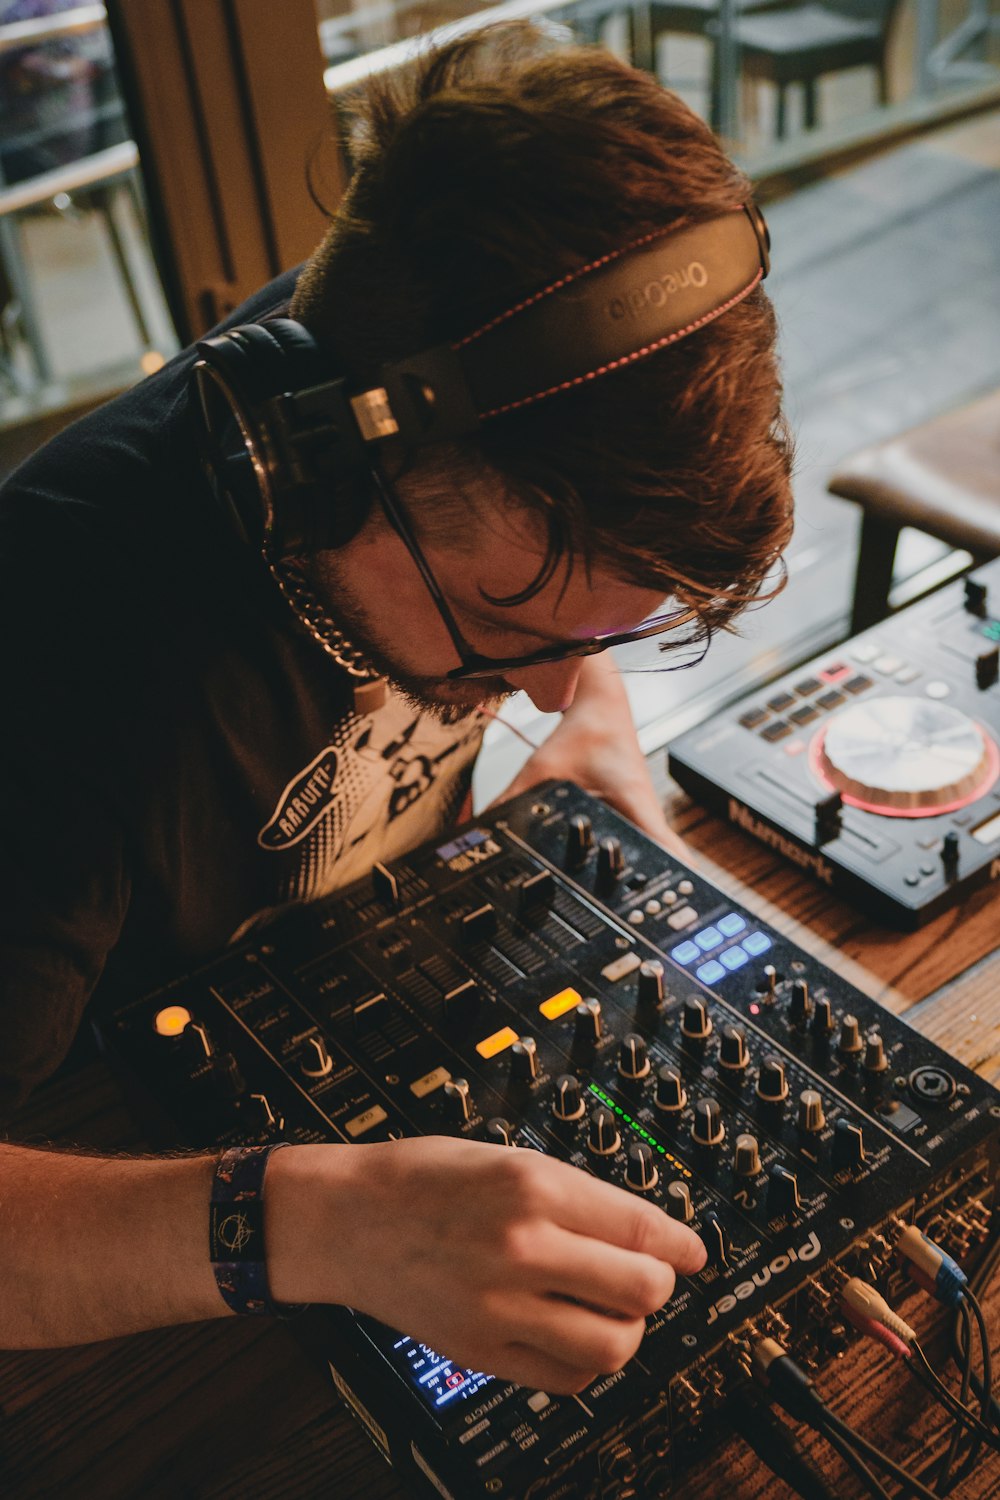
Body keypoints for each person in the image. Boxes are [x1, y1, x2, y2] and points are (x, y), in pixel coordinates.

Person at [0, 23, 793, 1389]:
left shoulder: (428, 357)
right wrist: (308, 1219)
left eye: (600, 635)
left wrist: (597, 721)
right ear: (302, 473)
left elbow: (550, 602)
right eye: (506, 628)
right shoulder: (55, 647)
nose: (541, 688)